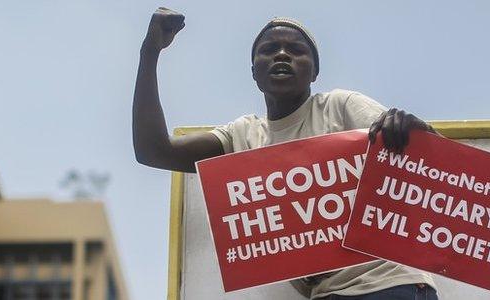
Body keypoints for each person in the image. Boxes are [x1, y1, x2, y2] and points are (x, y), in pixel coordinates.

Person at [132, 7, 438, 300]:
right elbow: (153, 151)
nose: (281, 54)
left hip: (390, 284)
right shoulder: (243, 135)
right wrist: (150, 52)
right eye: (269, 49)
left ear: (315, 71)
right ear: (254, 71)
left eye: (295, 49)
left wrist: (412, 133)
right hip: (327, 293)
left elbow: (433, 166)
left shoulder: (340, 107)